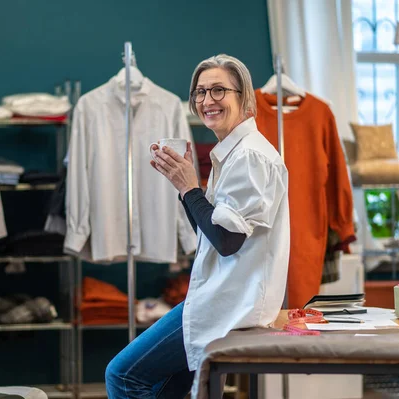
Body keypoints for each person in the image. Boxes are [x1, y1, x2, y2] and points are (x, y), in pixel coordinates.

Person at [105, 54, 290, 398]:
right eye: (200, 92)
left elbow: (226, 240)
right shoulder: (233, 153)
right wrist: (185, 188)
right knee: (165, 389)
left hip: (229, 303)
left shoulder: (249, 155)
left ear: (243, 96)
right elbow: (210, 232)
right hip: (221, 297)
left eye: (219, 90)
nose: (207, 101)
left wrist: (190, 187)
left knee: (123, 376)